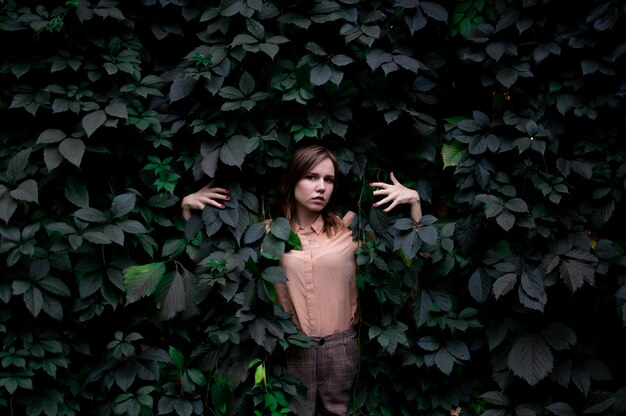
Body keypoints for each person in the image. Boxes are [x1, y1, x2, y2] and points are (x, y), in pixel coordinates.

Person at [181, 144, 422, 415]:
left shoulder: (350, 229)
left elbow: (413, 253)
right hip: (291, 348)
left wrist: (414, 203)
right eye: (311, 177)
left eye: (328, 180)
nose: (321, 187)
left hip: (341, 349)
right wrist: (187, 210)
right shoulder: (265, 233)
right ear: (292, 179)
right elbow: (207, 267)